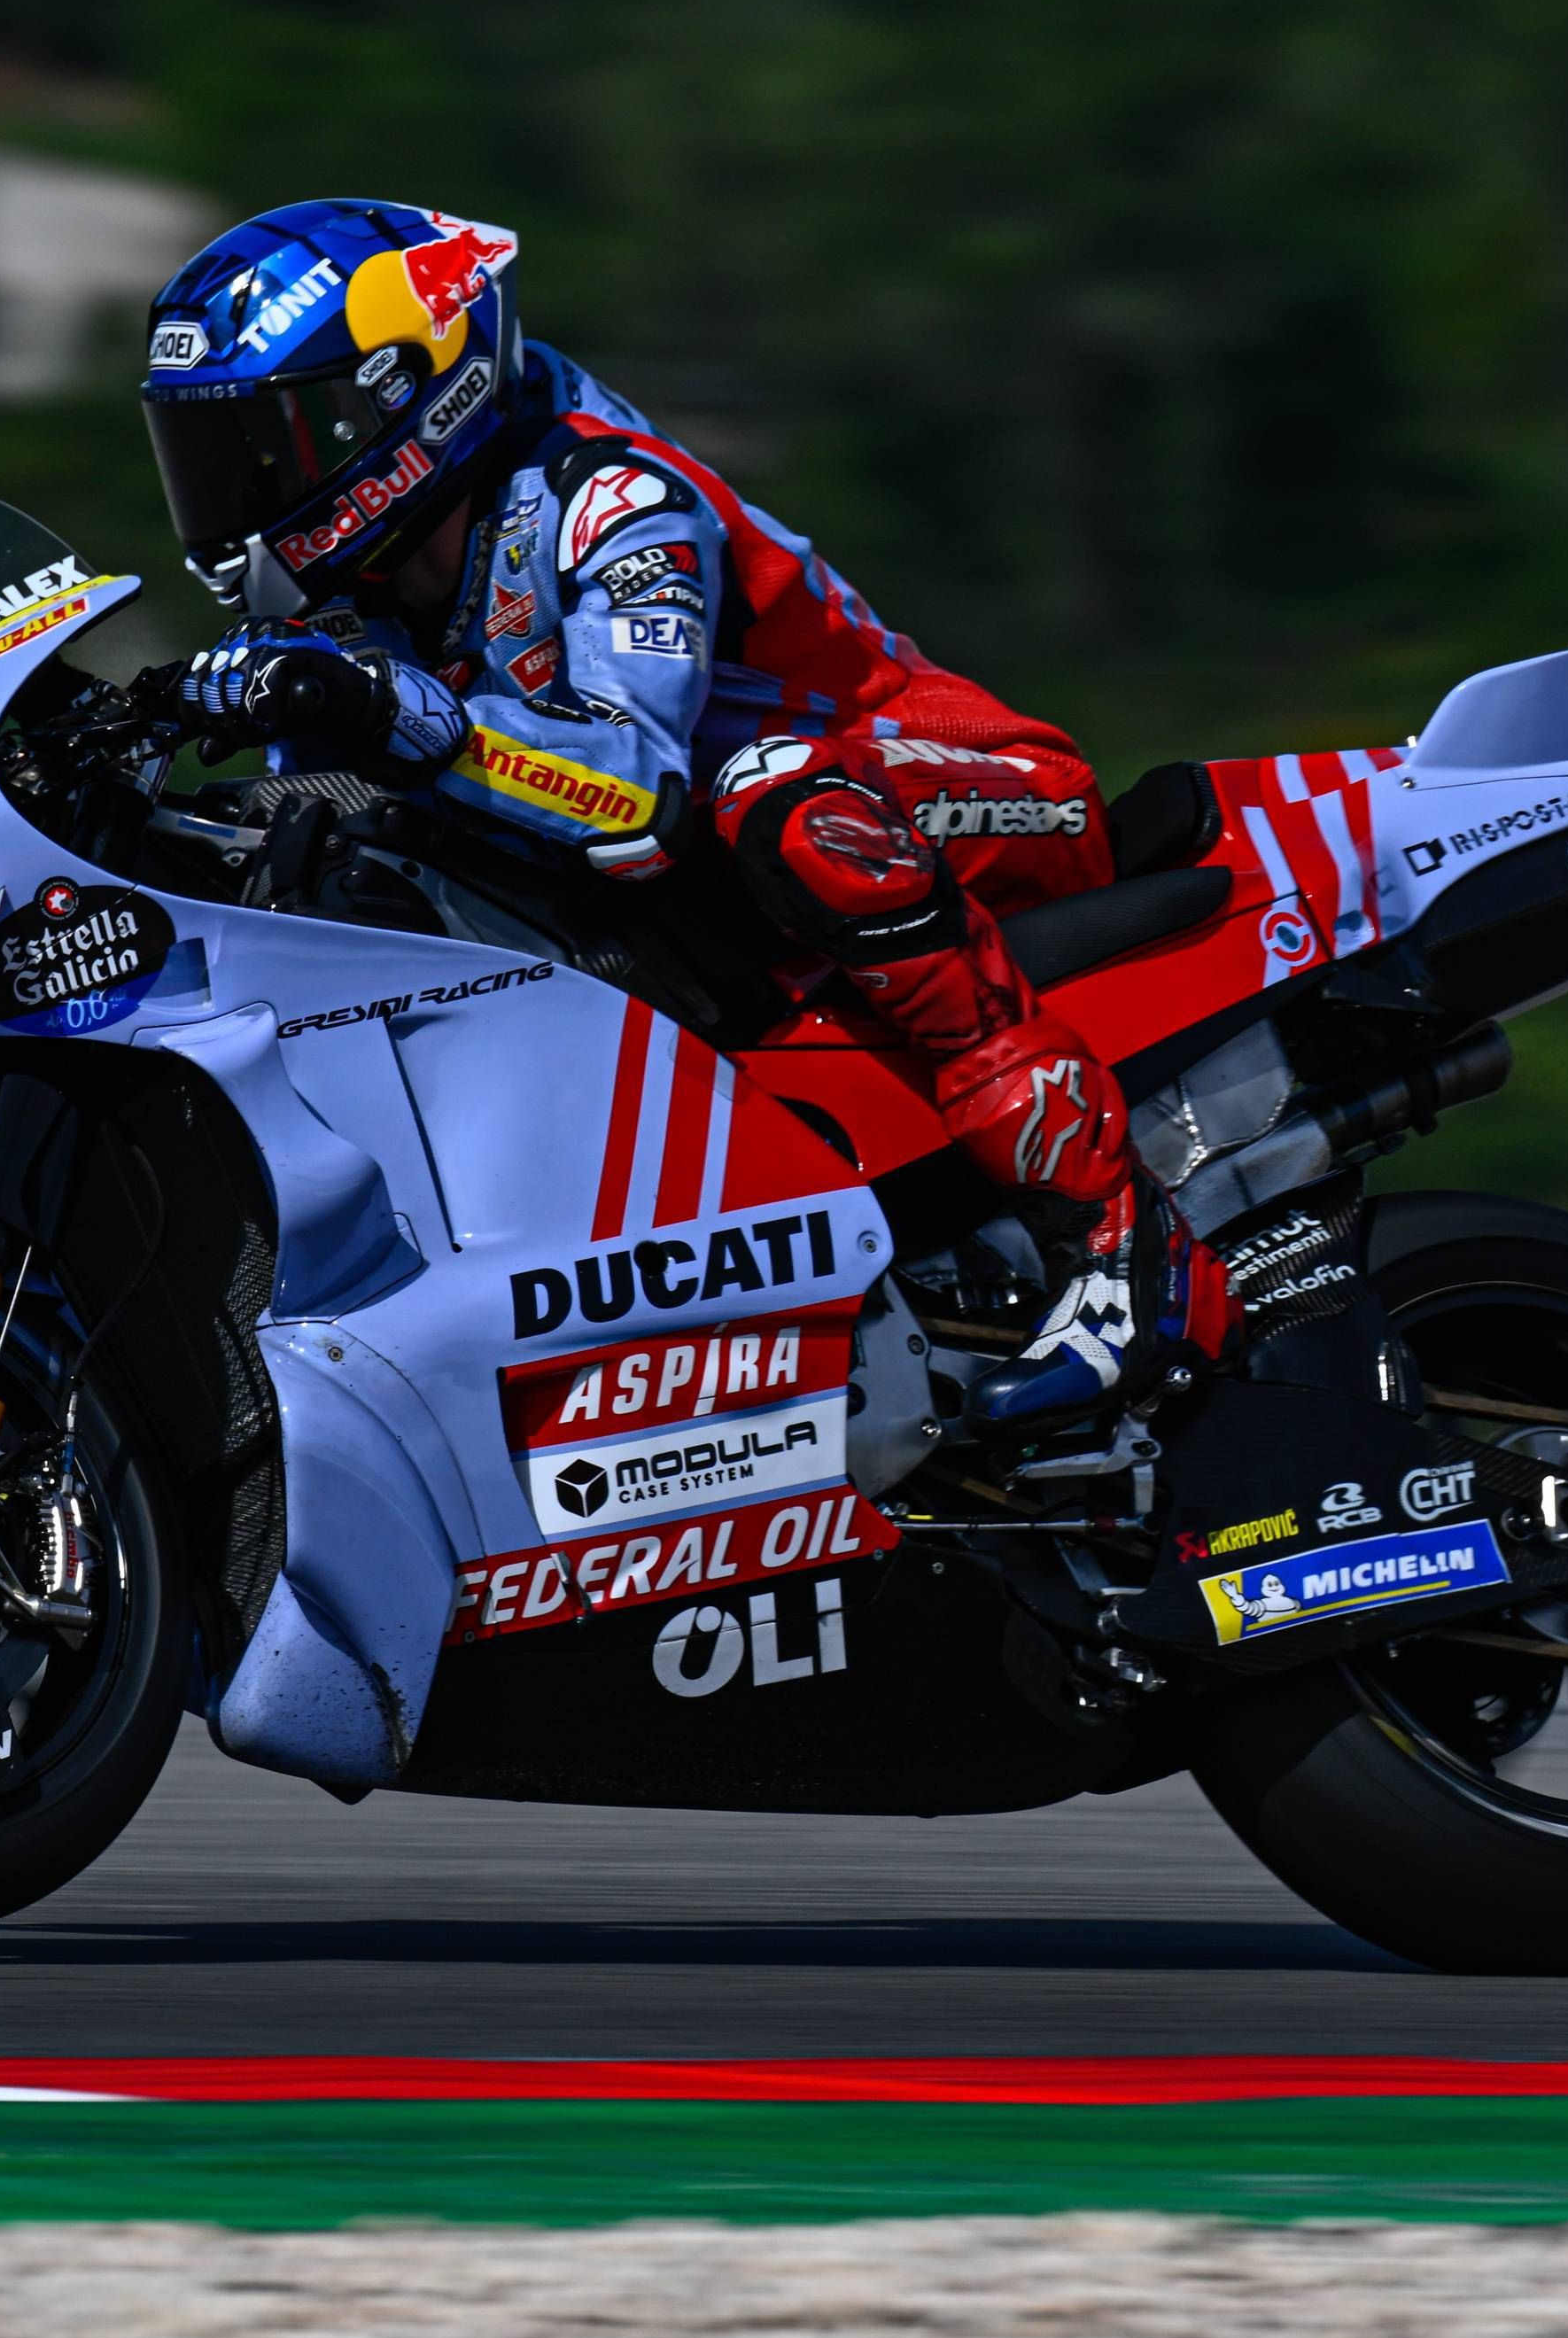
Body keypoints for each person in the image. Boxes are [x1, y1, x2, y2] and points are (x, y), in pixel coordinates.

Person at [134, 198, 1142, 1429]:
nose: (238, 496)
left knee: (776, 796)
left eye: (270, 447)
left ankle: (1118, 1240)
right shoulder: (355, 596)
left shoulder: (610, 498)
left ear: (403, 399)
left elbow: (634, 794)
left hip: (972, 795)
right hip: (749, 898)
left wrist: (405, 720)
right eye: (209, 459)